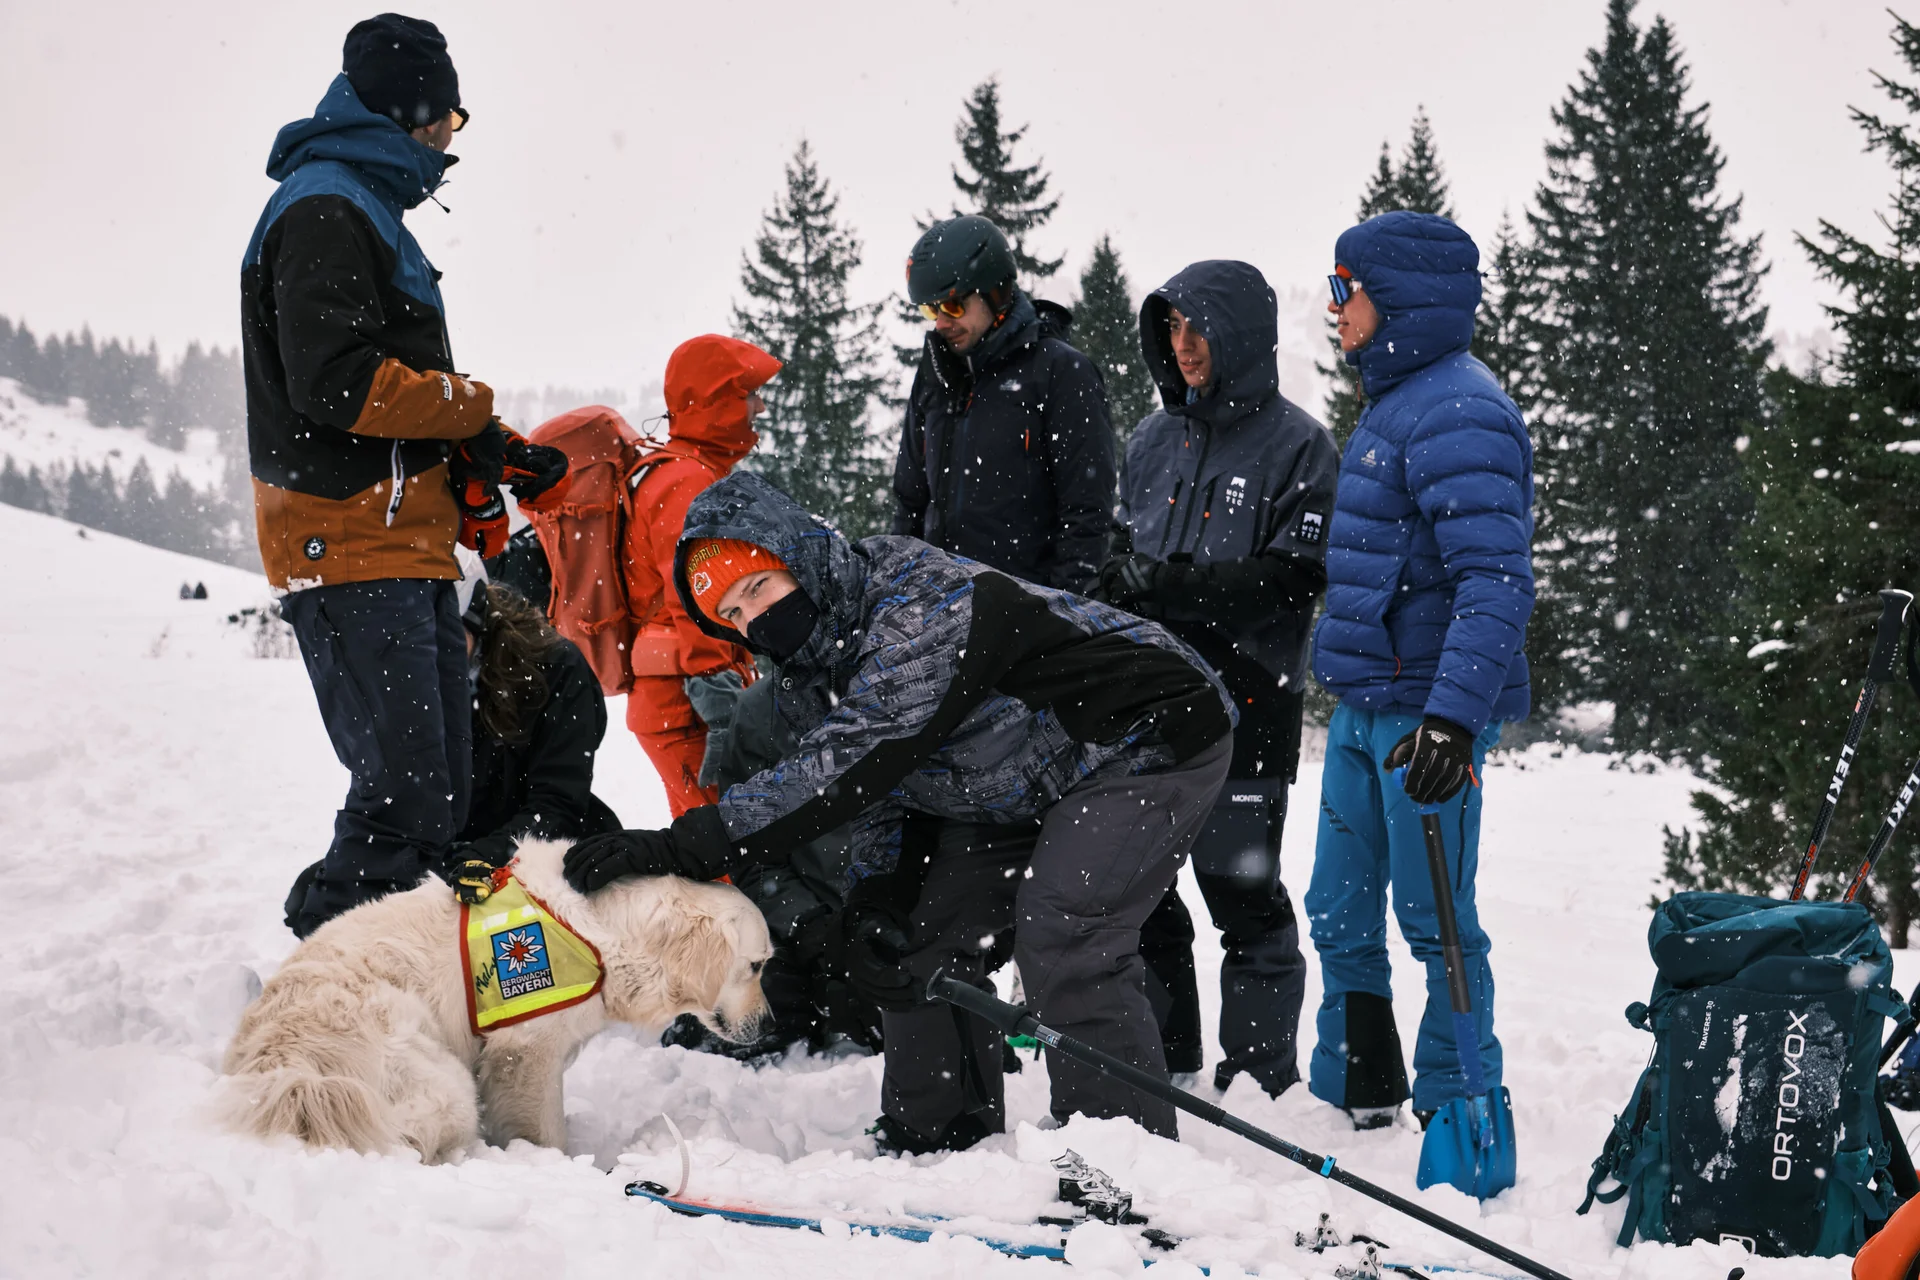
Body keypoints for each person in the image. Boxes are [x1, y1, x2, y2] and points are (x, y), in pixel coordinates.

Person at [562, 473, 1236, 1152]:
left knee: (1065, 927)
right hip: (1007, 781)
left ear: (801, 557)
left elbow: (862, 755)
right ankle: (941, 1133)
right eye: (733, 616)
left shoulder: (913, 599)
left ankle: (1119, 1157)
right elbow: (888, 789)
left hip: (1139, 734)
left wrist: (692, 843)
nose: (754, 620)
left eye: (759, 588)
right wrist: (880, 896)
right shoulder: (809, 675)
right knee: (916, 934)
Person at [242, 15, 532, 936]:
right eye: (449, 115)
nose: (453, 136)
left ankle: (393, 1007)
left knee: (439, 805)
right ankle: (314, 1001)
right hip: (350, 540)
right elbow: (335, 382)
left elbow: (393, 394)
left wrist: (487, 444)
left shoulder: (364, 207)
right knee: (406, 801)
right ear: (413, 110)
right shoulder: (326, 204)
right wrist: (470, 408)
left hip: (402, 544)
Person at [1306, 212, 1534, 1144]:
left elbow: (1496, 579)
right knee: (1339, 908)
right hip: (1366, 705)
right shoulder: (1396, 401)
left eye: (1342, 288)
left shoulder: (1459, 409)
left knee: (1435, 920)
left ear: (1394, 294)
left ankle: (1458, 1101)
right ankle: (1361, 1083)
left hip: (1422, 718)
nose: (1332, 310)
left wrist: (1450, 720)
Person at [1101, 260, 1338, 1098]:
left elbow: (1293, 579)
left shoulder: (1301, 446)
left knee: (1243, 895)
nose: (1184, 344)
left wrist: (1170, 589)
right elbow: (1120, 559)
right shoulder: (1150, 441)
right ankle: (1169, 1061)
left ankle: (1261, 1082)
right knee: (1141, 894)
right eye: (1171, 328)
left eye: (1199, 327)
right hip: (1149, 708)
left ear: (1242, 336)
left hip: (1250, 704)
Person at [287, 576, 624, 907]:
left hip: (537, 842)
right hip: (444, 844)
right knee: (315, 902)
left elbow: (558, 802)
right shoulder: (407, 675)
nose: (429, 654)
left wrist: (489, 853)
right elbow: (395, 789)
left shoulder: (556, 667)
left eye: (440, 636)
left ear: (475, 620)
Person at [893, 215, 1115, 593]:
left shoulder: (1060, 373)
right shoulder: (935, 374)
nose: (942, 323)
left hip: (1027, 618)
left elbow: (1086, 517)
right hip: (940, 614)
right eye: (932, 310)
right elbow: (909, 501)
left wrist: (1063, 618)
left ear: (996, 292)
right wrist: (903, 590)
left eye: (954, 306)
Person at [622, 336, 779, 817]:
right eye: (749, 393)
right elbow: (692, 594)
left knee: (719, 844)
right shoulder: (685, 480)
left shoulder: (691, 471)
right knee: (726, 847)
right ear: (718, 402)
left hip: (680, 693)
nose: (761, 406)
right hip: (685, 702)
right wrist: (719, 698)